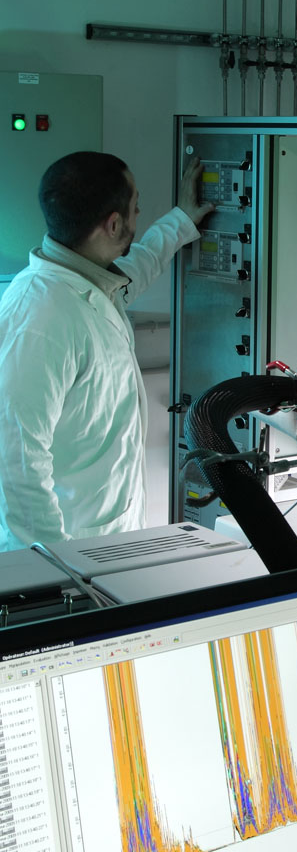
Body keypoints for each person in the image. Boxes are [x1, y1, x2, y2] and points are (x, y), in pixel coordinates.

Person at [0, 152, 213, 553]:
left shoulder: (87, 281)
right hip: (68, 555)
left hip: (105, 544)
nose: (139, 214)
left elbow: (139, 265)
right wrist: (54, 570)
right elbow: (15, 462)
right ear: (113, 224)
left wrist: (181, 220)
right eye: (135, 207)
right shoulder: (39, 318)